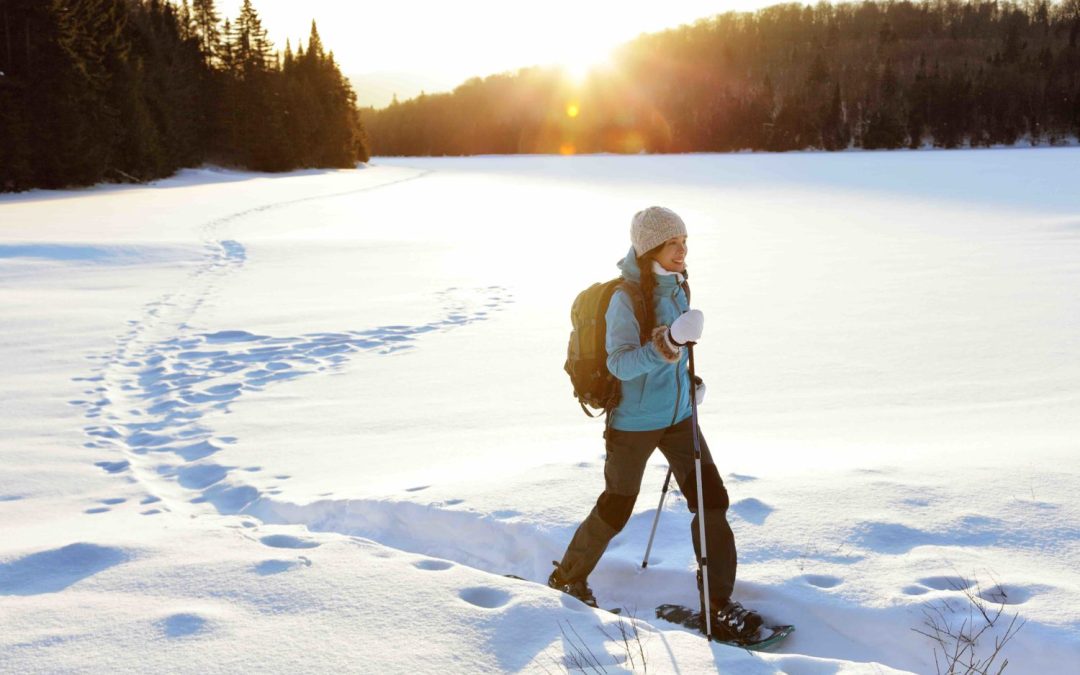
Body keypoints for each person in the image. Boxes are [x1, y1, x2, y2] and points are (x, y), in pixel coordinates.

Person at [548, 206, 762, 643]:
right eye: (672, 243)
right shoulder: (626, 299)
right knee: (617, 506)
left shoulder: (679, 285)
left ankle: (718, 605)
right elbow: (621, 363)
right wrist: (669, 343)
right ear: (651, 248)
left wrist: (687, 382)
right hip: (634, 423)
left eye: (684, 241)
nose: (682, 250)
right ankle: (568, 577)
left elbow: (675, 354)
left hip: (680, 418)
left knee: (711, 500)